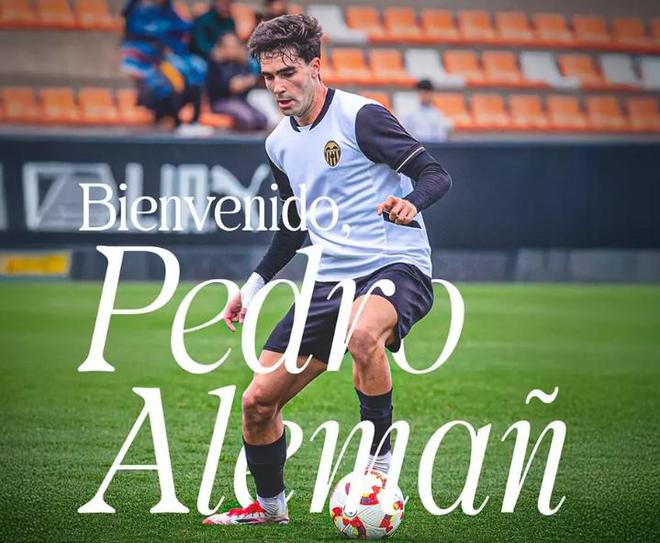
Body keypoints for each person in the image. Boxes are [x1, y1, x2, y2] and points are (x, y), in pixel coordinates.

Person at [202, 15, 452, 526]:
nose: (278, 87)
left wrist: (411, 204)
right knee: (257, 403)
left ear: (315, 67)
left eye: (288, 73)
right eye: (268, 77)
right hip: (330, 281)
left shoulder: (361, 117)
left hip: (395, 264)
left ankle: (377, 469)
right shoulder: (278, 143)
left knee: (363, 334)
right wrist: (252, 286)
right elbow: (293, 227)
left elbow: (435, 174)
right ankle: (270, 508)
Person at [120, 0, 211, 135]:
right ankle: (177, 124)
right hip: (153, 87)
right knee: (168, 87)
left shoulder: (168, 11)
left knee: (195, 82)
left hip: (167, 69)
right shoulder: (138, 13)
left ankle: (194, 123)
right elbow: (145, 30)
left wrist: (196, 19)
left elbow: (182, 26)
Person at [206, 32, 267, 131]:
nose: (231, 50)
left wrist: (247, 83)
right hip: (221, 101)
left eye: (234, 46)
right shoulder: (215, 64)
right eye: (228, 47)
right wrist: (229, 86)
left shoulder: (241, 63)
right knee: (247, 119)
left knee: (262, 119)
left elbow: (251, 81)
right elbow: (212, 87)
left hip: (241, 101)